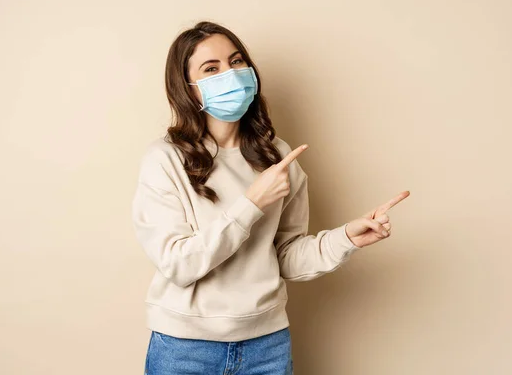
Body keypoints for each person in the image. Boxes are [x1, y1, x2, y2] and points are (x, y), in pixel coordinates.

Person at [131, 21, 410, 375]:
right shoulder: (165, 159)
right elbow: (178, 264)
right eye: (211, 69)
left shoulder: (278, 156)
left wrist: (346, 238)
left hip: (267, 346)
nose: (230, 75)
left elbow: (286, 255)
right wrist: (250, 204)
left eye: (236, 62)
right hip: (184, 348)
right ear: (189, 89)